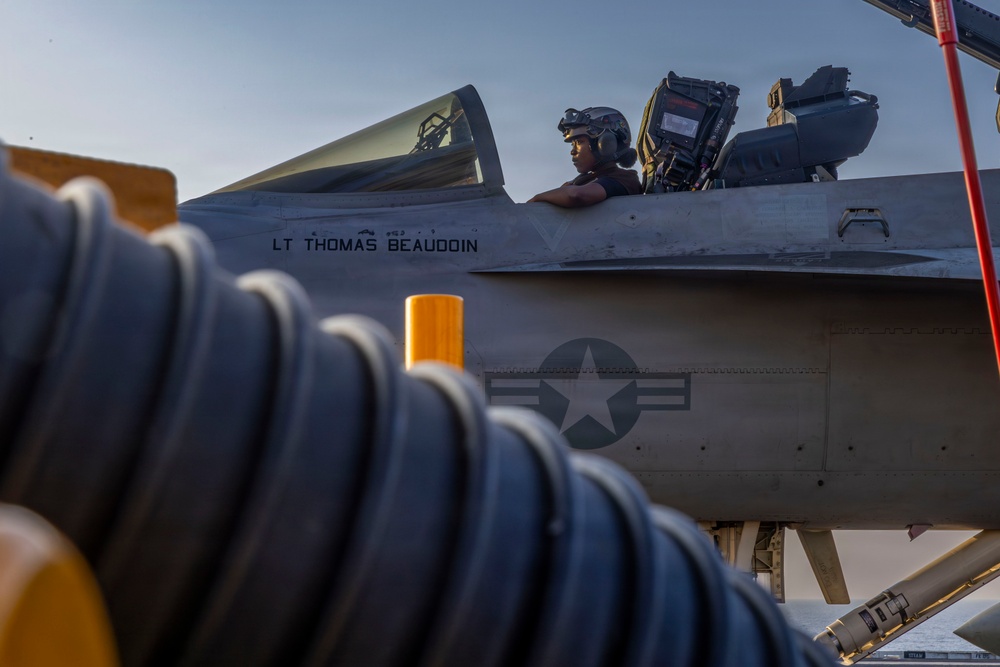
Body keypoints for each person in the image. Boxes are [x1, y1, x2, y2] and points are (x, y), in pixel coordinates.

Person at [528, 107, 642, 207]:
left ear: (606, 143)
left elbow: (576, 196)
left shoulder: (624, 179)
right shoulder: (581, 181)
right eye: (573, 144)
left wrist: (537, 198)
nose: (573, 151)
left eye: (579, 142)